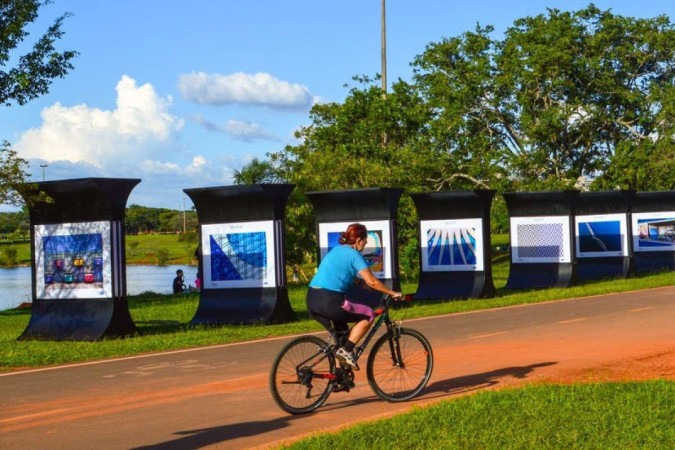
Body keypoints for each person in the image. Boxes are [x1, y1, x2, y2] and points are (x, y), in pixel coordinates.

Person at [306, 223, 401, 370]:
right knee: (369, 314)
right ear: (358, 240)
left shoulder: (336, 251)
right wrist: (392, 292)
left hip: (312, 299)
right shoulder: (354, 254)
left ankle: (338, 376)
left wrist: (358, 281)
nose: (366, 243)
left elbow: (340, 271)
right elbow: (372, 281)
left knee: (341, 336)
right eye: (365, 240)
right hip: (330, 301)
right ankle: (347, 351)